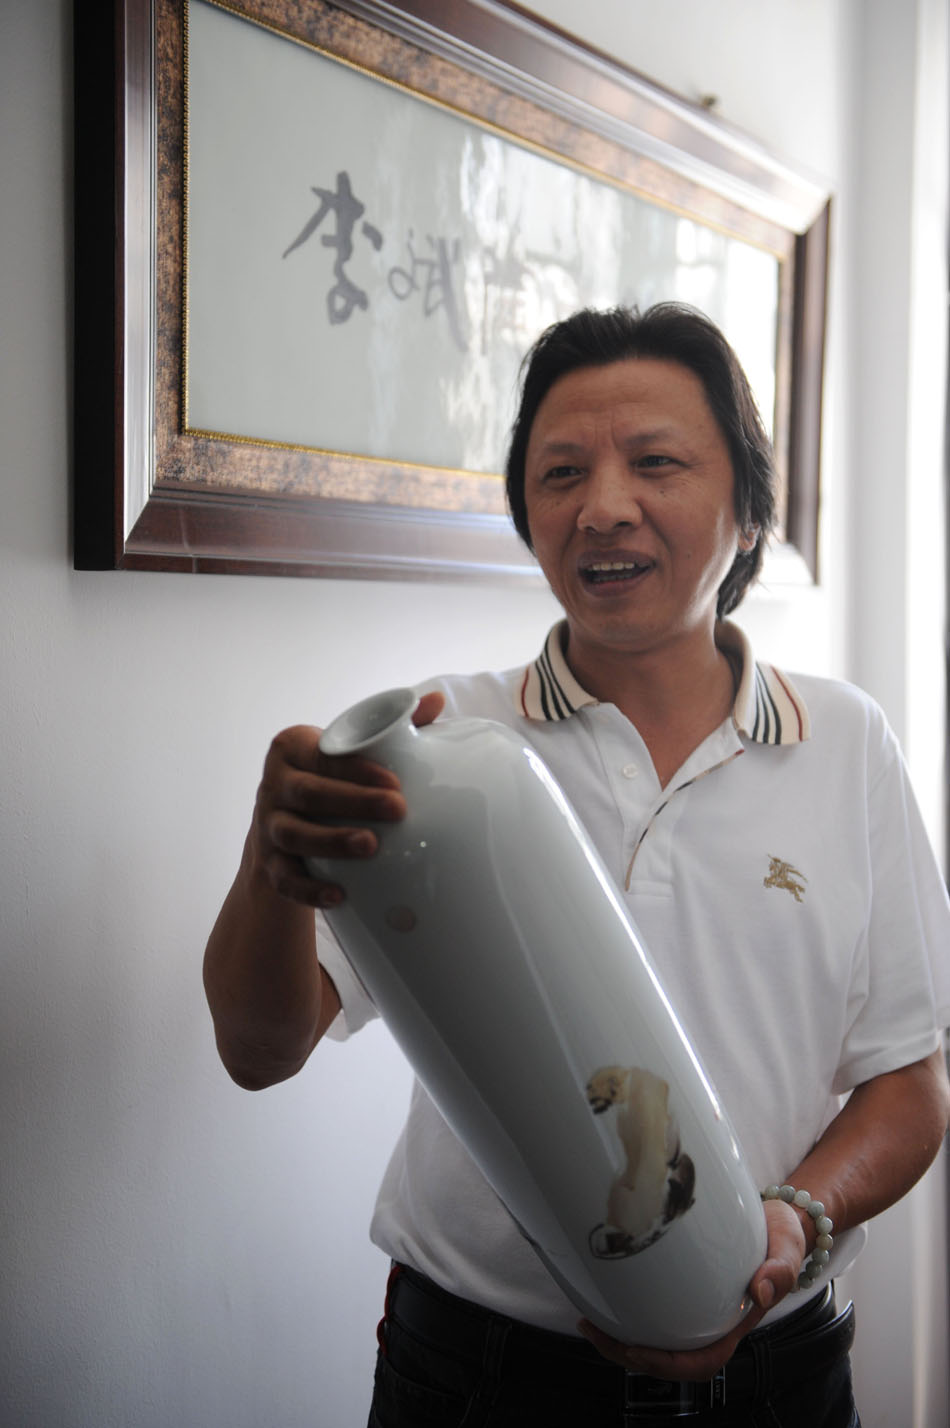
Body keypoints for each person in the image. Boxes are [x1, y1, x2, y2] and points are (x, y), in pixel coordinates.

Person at [203, 304, 950, 1427]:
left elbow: (908, 1081)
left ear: (747, 510)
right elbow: (261, 1052)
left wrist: (796, 1216)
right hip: (478, 1374)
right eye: (560, 472)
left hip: (778, 1375)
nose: (602, 506)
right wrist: (270, 860)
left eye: (654, 462)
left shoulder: (844, 744)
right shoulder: (442, 745)